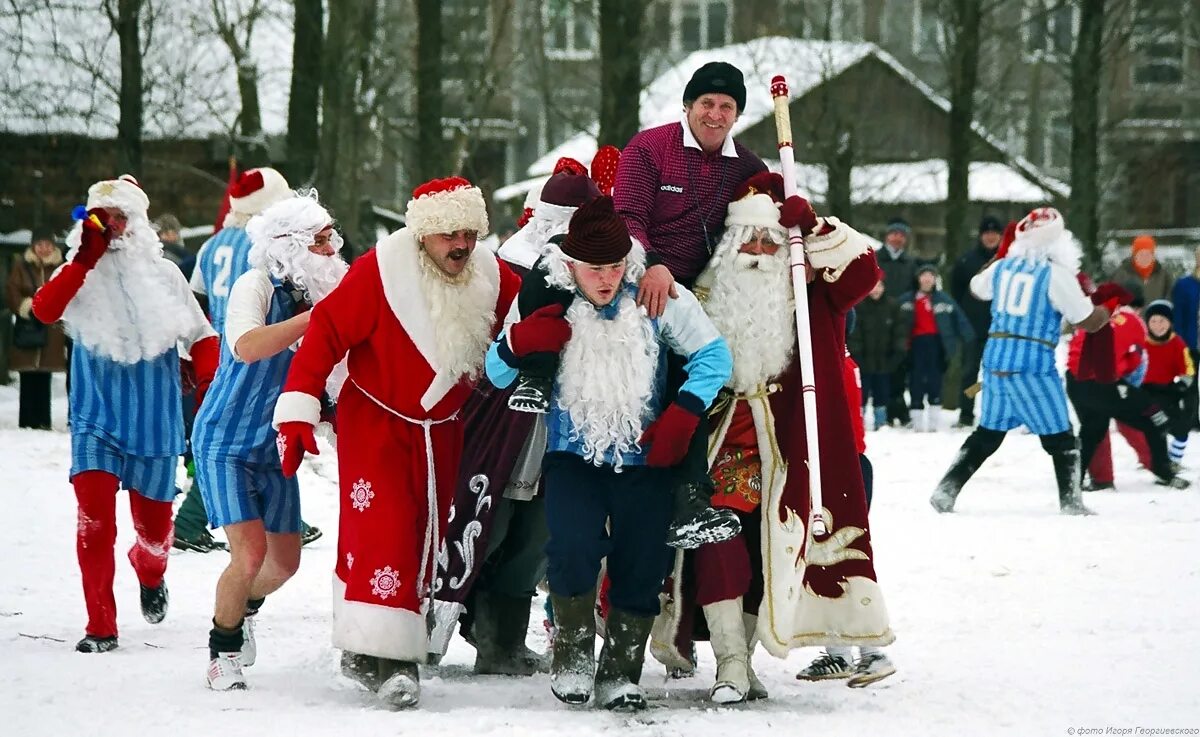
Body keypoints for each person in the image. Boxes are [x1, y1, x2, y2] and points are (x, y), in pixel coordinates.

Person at [272, 176, 520, 709]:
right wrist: (297, 412)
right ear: (424, 233)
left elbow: (528, 319)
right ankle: (395, 661)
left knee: (421, 533)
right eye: (448, 234)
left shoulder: (492, 279)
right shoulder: (379, 272)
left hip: (443, 430)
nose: (460, 245)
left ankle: (366, 644)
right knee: (384, 528)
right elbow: (326, 332)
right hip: (376, 423)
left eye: (469, 234)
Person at [648, 173, 893, 702]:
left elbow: (864, 272)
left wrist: (814, 225)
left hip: (794, 453)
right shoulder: (705, 293)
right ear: (732, 243)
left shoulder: (809, 294)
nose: (759, 251)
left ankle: (746, 664)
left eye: (769, 241)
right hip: (719, 446)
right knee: (718, 545)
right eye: (749, 240)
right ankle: (730, 662)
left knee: (771, 558)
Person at [486, 195, 731, 711]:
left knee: (642, 562)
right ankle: (573, 656)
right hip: (573, 456)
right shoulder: (546, 293)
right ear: (571, 263)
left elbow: (714, 355)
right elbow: (496, 372)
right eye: (595, 269)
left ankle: (621, 671)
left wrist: (684, 412)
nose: (606, 278)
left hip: (646, 459)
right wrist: (518, 343)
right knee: (571, 550)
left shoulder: (655, 294)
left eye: (616, 266)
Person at [429, 161, 612, 675]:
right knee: (478, 522)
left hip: (564, 418)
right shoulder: (499, 264)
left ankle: (501, 642)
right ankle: (428, 634)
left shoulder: (602, 264)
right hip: (499, 413)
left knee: (535, 537)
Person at [31, 175, 219, 652]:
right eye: (102, 218)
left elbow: (201, 335)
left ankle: (149, 568)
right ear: (89, 222)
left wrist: (207, 384)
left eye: (121, 218)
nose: (112, 228)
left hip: (155, 420)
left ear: (139, 224)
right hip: (95, 418)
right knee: (93, 519)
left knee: (155, 534)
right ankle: (101, 625)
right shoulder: (78, 272)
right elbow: (45, 311)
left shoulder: (165, 276)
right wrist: (84, 259)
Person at [193, 192, 348, 690]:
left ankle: (243, 609)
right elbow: (246, 345)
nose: (332, 249)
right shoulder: (254, 282)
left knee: (286, 563)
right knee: (250, 554)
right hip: (224, 440)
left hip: (276, 445)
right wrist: (316, 320)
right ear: (291, 246)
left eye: (331, 238)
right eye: (321, 241)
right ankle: (223, 650)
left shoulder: (324, 295)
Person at [613, 60, 767, 549]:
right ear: (688, 105)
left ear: (737, 114)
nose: (716, 114)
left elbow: (767, 217)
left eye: (727, 106)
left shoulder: (748, 166)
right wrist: (651, 263)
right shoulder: (651, 147)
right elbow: (627, 215)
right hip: (638, 277)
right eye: (707, 104)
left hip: (698, 290)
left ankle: (689, 500)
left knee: (704, 366)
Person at [930, 207, 1110, 516]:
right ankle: (1071, 501)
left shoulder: (1002, 267)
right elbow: (1086, 319)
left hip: (996, 359)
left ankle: (946, 489)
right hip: (1032, 362)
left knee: (989, 431)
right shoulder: (1055, 274)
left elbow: (976, 288)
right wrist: (1108, 308)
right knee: (1061, 434)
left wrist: (1000, 256)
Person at [178, 167, 322, 552]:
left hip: (224, 340)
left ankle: (280, 518)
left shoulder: (211, 246)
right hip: (261, 339)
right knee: (242, 434)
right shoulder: (267, 246)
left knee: (241, 432)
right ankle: (198, 517)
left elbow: (199, 298)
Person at [1066, 290, 1189, 490]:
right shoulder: (1134, 322)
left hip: (1075, 381)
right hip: (1103, 383)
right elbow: (1136, 363)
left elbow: (1077, 345)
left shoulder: (1097, 313)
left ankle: (1074, 481)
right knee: (1153, 417)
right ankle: (1165, 471)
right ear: (1139, 309)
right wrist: (1131, 391)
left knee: (1092, 430)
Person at [897, 264, 975, 432]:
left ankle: (934, 422)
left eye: (930, 276)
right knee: (915, 381)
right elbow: (894, 321)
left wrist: (969, 338)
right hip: (914, 346)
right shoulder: (906, 300)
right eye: (923, 276)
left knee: (935, 381)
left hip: (937, 345)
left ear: (935, 279)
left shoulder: (944, 300)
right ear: (918, 279)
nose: (926, 279)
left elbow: (960, 320)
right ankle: (917, 420)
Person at [6, 228, 68, 429]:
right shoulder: (21, 266)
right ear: (33, 246)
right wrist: (26, 306)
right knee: (28, 377)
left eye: (48, 245)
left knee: (44, 376)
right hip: (29, 325)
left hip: (51, 328)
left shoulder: (60, 267)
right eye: (40, 245)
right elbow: (12, 289)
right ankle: (27, 420)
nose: (44, 249)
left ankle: (43, 419)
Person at [951, 215, 1005, 426]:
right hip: (973, 329)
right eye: (987, 233)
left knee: (999, 374)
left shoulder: (1006, 260)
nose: (990, 237)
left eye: (995, 233)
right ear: (981, 236)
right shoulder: (966, 261)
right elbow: (956, 293)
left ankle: (998, 414)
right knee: (970, 374)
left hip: (1001, 329)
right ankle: (966, 413)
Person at [1137, 299, 1194, 468]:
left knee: (1181, 427)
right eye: (1153, 321)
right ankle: (1154, 459)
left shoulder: (1177, 343)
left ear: (1170, 323)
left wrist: (1182, 385)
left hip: (1168, 390)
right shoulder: (1141, 341)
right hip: (1144, 391)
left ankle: (1174, 460)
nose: (1158, 325)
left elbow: (1188, 369)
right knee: (1153, 426)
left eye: (1162, 321)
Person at [847, 277, 906, 430]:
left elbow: (899, 332)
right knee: (862, 393)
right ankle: (859, 420)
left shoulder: (893, 306)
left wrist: (897, 353)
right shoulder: (858, 306)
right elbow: (854, 333)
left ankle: (881, 421)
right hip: (864, 359)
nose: (876, 290)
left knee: (882, 392)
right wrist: (857, 353)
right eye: (873, 286)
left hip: (884, 361)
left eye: (879, 286)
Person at [877, 217, 918, 426]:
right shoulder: (875, 258)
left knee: (899, 364)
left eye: (902, 235)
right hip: (876, 319)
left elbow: (914, 290)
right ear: (887, 235)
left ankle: (898, 405)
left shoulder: (910, 263)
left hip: (901, 320)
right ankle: (881, 407)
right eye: (894, 234)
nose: (897, 238)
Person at [1170, 247, 1200, 430]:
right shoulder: (1184, 285)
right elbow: (1178, 316)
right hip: (1191, 342)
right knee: (1190, 383)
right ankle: (1191, 420)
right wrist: (1179, 343)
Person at [1111, 234, 1174, 304]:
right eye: (1141, 254)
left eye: (1148, 254)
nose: (1144, 258)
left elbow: (1169, 301)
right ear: (1134, 255)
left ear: (1153, 255)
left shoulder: (1164, 276)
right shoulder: (1121, 275)